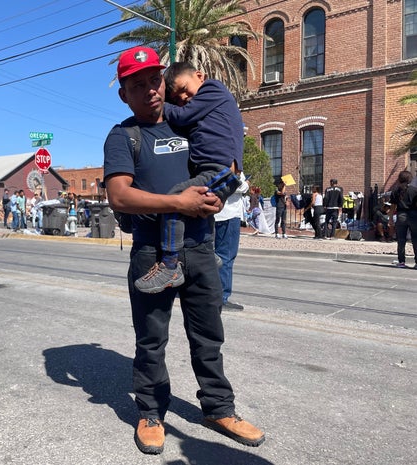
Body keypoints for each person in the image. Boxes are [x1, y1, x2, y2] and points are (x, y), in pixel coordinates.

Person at [103, 46, 264, 455]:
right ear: (124, 94)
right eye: (137, 85)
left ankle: (218, 408)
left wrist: (217, 193)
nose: (151, 91)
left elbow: (222, 157)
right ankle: (151, 412)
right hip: (152, 253)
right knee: (151, 339)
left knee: (209, 336)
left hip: (201, 248)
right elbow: (119, 197)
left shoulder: (190, 123)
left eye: (155, 80)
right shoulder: (124, 136)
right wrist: (180, 204)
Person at [134, 61, 242, 294]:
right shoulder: (205, 104)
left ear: (200, 75)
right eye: (176, 96)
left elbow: (184, 116)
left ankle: (170, 265)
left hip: (221, 170)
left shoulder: (212, 89)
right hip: (213, 170)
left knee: (177, 197)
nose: (183, 97)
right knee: (199, 203)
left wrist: (161, 106)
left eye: (184, 88)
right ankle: (208, 254)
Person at [215, 171, 249, 311]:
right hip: (228, 214)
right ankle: (221, 296)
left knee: (211, 254)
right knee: (226, 256)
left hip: (214, 213)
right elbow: (238, 185)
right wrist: (246, 184)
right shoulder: (230, 162)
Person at [389, 170, 417, 268]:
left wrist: (390, 219)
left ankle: (401, 262)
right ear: (410, 179)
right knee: (415, 239)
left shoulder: (395, 191)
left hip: (401, 215)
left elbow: (392, 207)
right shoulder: (414, 190)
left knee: (401, 240)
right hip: (414, 215)